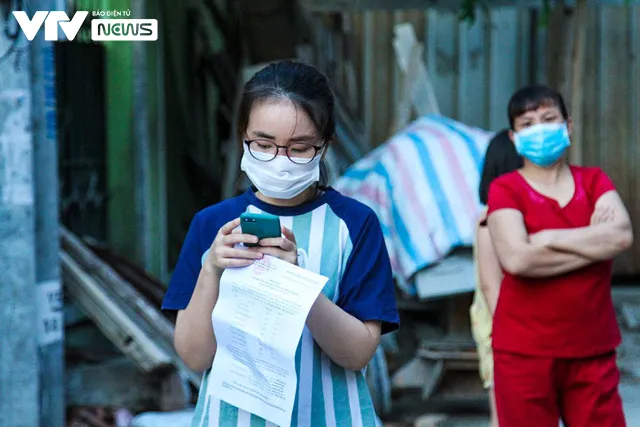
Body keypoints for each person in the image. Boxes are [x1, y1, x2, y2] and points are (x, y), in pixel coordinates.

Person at [162, 60, 400, 426]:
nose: (280, 161)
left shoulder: (354, 224)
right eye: (263, 144)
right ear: (242, 136)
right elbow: (195, 357)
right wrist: (211, 268)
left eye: (300, 148)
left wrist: (296, 285)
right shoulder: (211, 225)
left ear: (325, 146)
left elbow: (357, 355)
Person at [486, 84, 634, 427]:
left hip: (592, 348)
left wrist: (548, 238)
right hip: (524, 351)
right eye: (527, 123)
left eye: (548, 118)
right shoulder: (505, 189)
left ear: (568, 126)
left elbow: (623, 236)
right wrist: (595, 246)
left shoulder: (594, 181)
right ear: (514, 137)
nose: (539, 129)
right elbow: (517, 260)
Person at [470, 129, 523, 427]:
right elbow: (492, 286)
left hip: (496, 322)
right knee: (504, 413)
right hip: (501, 325)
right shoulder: (493, 220)